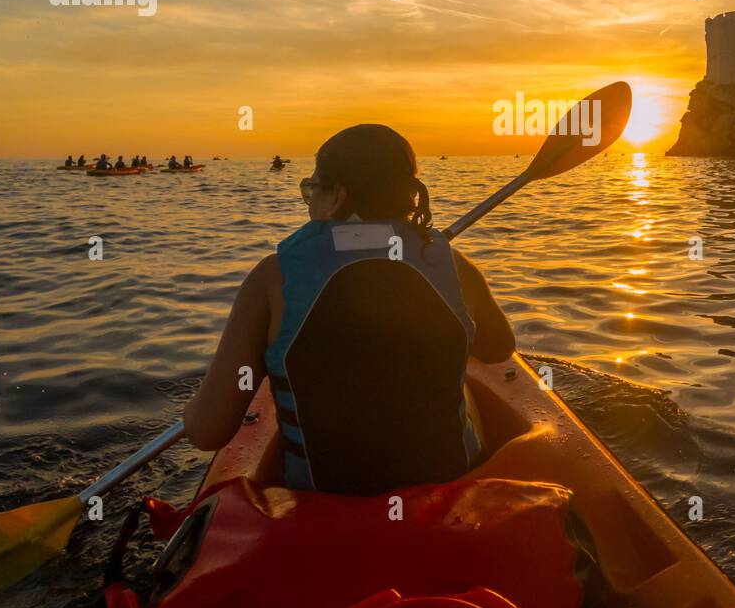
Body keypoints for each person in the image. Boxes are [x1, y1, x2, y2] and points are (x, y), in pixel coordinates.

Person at [184, 124, 515, 495]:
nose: (308, 201)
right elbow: (499, 348)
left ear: (338, 194)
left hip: (320, 509)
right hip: (446, 499)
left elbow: (206, 431)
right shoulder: (454, 265)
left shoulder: (272, 278)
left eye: (311, 188)